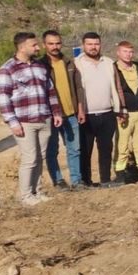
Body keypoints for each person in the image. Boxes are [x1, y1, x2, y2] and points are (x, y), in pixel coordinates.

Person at [0, 32, 63, 205]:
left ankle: (37, 191)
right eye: (34, 45)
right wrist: (12, 122)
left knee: (40, 157)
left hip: (44, 118)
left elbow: (50, 91)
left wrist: (55, 112)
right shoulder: (7, 69)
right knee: (29, 159)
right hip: (24, 122)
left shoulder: (40, 67)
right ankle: (26, 196)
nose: (38, 48)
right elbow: (3, 99)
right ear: (22, 47)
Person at [74, 32, 126, 188]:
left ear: (100, 44)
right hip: (86, 116)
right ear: (83, 45)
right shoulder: (76, 64)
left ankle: (105, 180)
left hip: (107, 114)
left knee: (105, 149)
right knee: (85, 150)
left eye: (96, 44)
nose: (93, 47)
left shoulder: (109, 62)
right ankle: (86, 181)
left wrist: (121, 108)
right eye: (89, 44)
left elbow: (117, 87)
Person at [39, 30, 85, 191]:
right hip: (51, 116)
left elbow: (79, 88)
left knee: (74, 149)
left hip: (71, 114)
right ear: (44, 45)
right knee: (52, 150)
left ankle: (76, 181)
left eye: (57, 43)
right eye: (51, 43)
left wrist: (80, 109)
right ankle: (58, 181)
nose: (55, 46)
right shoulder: (40, 65)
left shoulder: (69, 63)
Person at [113, 41, 138, 184]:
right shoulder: (114, 69)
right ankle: (120, 175)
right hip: (124, 114)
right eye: (125, 51)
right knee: (122, 145)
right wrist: (118, 111)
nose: (128, 54)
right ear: (118, 52)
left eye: (130, 52)